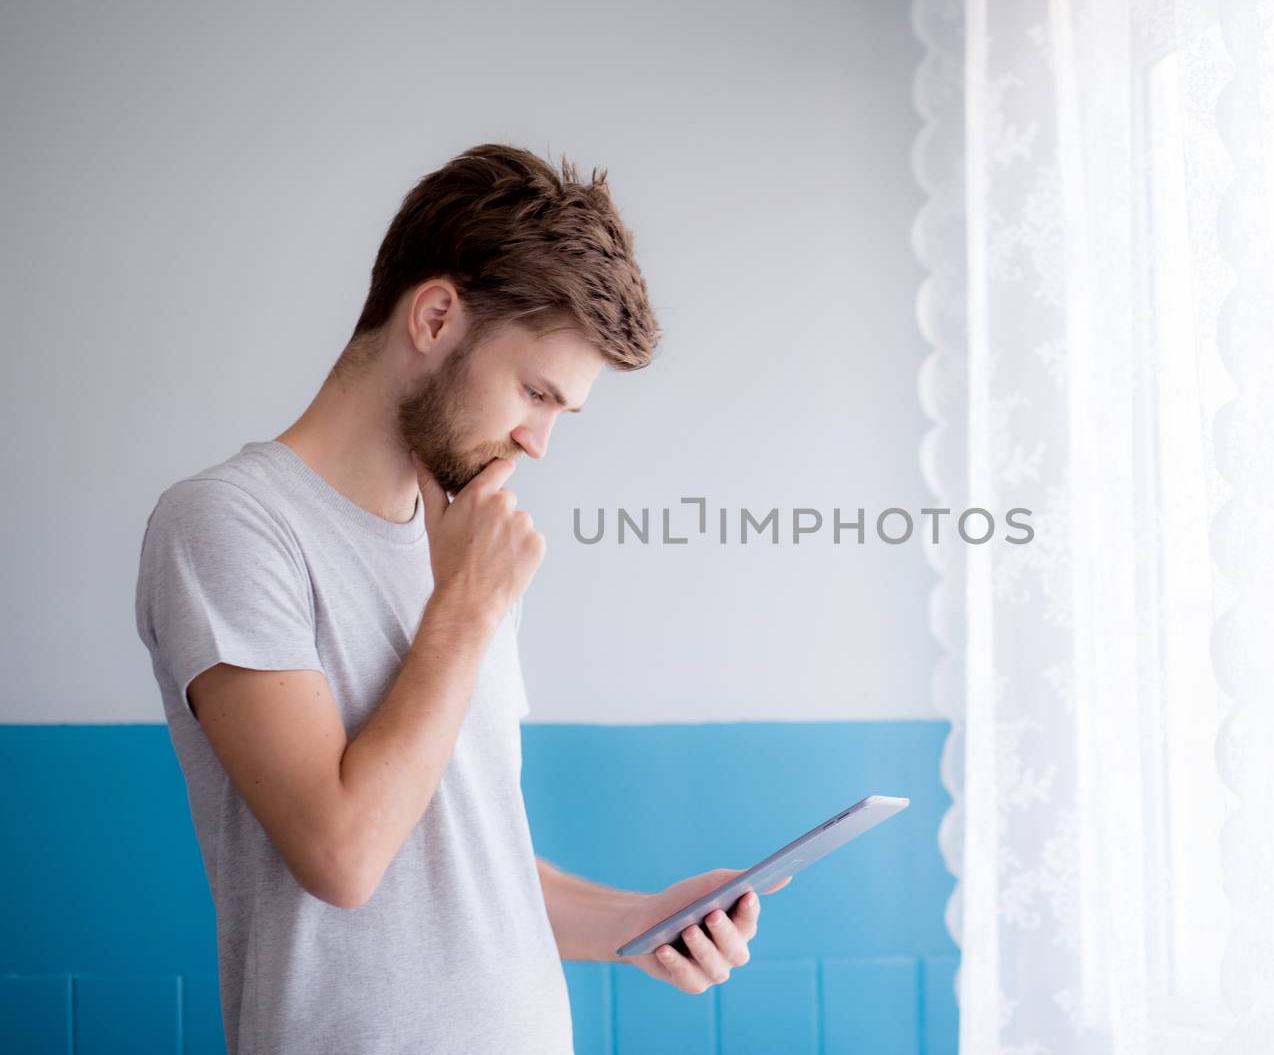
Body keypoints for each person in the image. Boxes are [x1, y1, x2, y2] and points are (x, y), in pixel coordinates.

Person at [133, 143, 786, 1055]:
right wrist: (467, 607)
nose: (540, 442)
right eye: (534, 391)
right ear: (436, 316)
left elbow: (461, 862)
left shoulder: (463, 548)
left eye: (562, 411)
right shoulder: (228, 524)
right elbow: (344, 854)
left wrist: (638, 917)